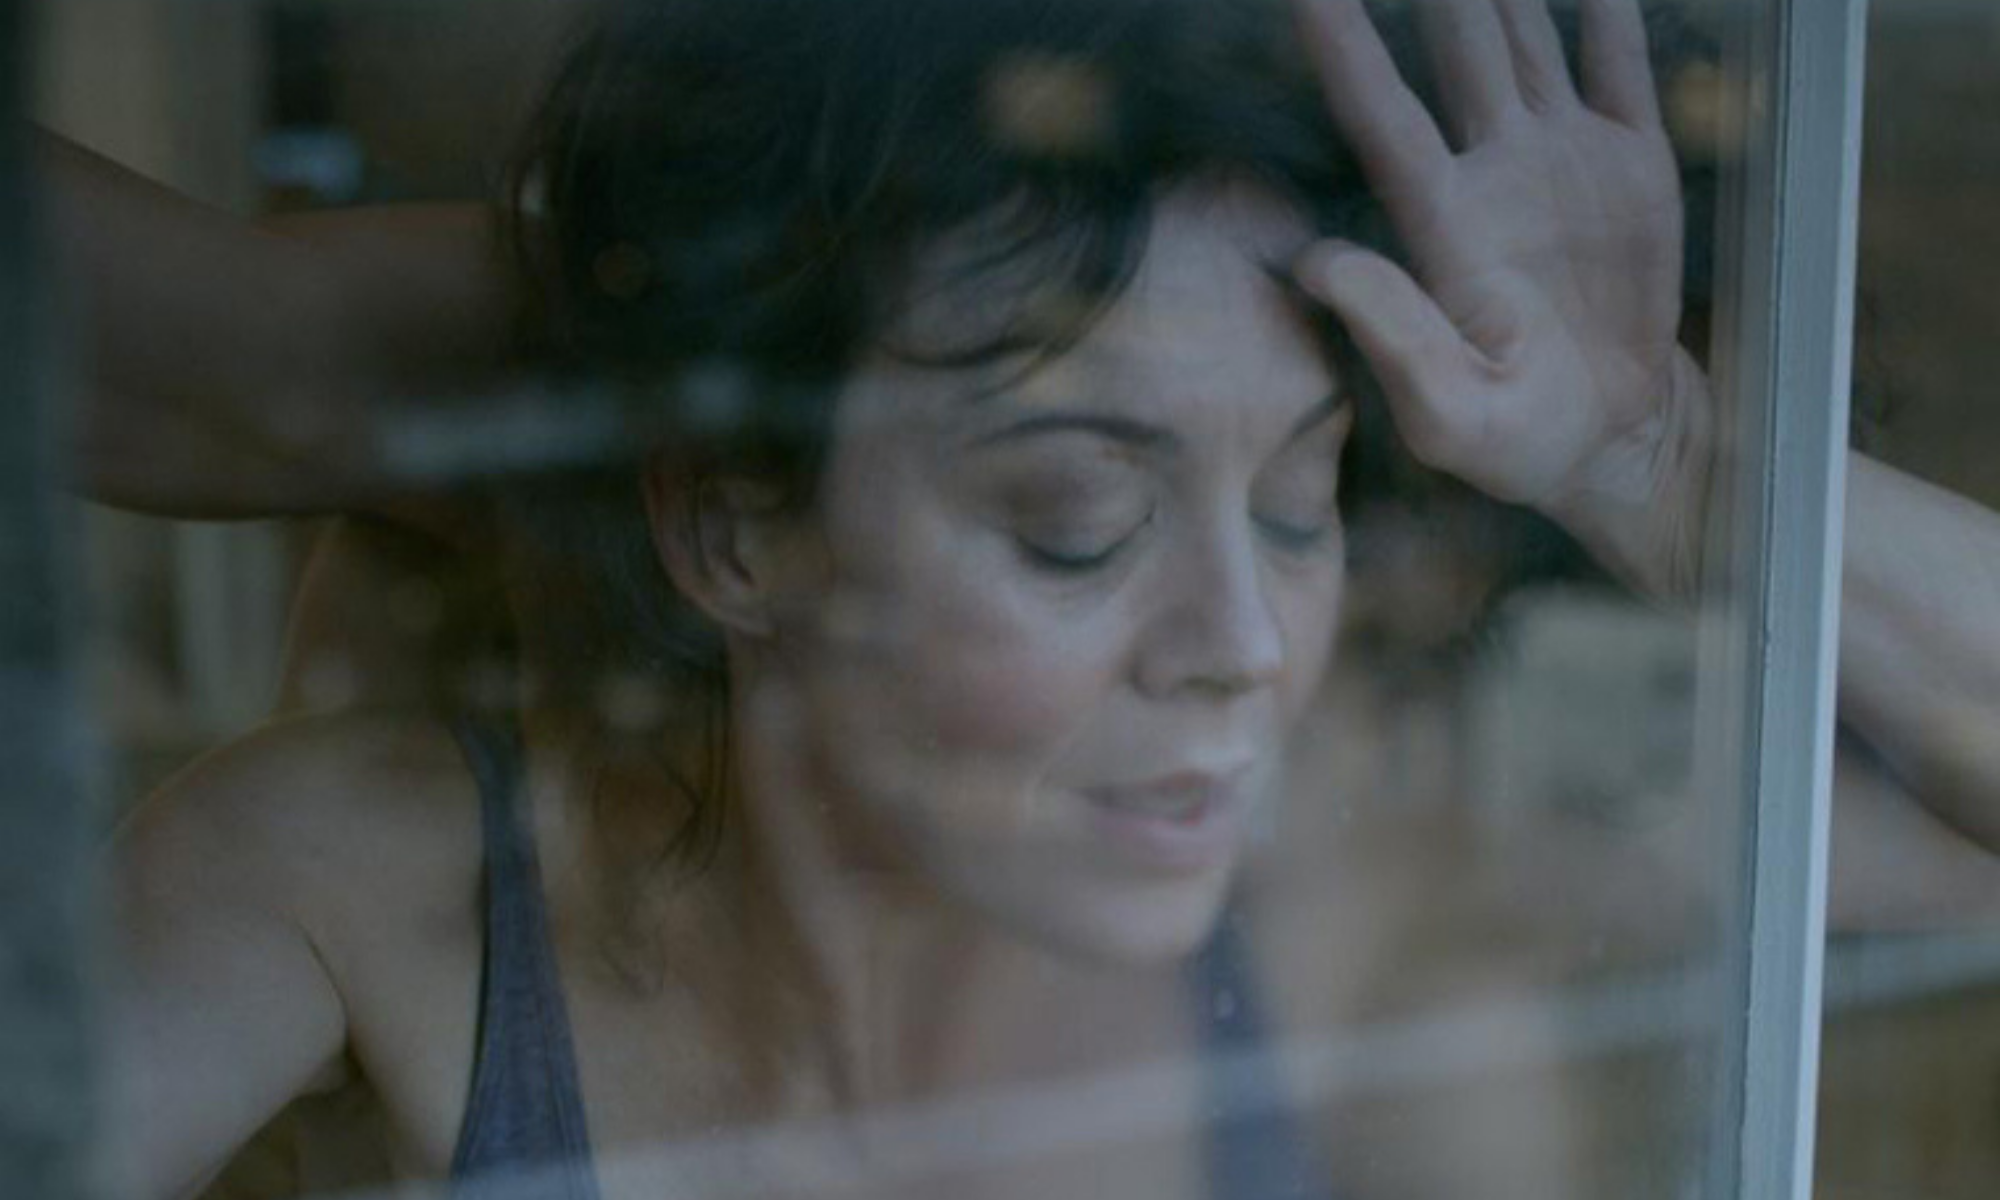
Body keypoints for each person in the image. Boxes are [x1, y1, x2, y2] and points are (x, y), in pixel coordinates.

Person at [41, 0, 2000, 1197]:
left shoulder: (1357, 873)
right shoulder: (368, 893)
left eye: (1300, 505)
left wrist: (1658, 460)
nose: (1244, 646)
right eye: (1077, 525)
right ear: (733, 532)